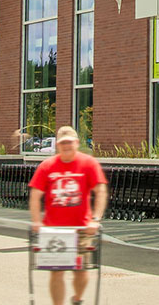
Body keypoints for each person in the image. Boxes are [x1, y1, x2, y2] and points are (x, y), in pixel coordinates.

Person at [29, 126, 108, 305]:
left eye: (69, 142)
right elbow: (35, 195)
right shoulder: (47, 166)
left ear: (77, 143)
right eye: (62, 143)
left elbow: (101, 191)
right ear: (57, 145)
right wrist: (36, 221)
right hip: (54, 229)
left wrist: (95, 219)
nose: (66, 146)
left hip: (81, 228)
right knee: (56, 271)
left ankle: (77, 299)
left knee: (81, 269)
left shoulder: (88, 164)